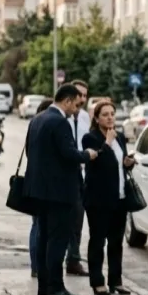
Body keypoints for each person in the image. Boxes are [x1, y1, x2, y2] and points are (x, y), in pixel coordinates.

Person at [24, 84, 98, 295]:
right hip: (58, 192)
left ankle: (44, 286)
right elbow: (68, 154)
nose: (76, 109)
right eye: (75, 104)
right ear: (66, 101)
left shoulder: (38, 119)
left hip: (39, 190)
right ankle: (55, 287)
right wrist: (87, 155)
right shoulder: (59, 122)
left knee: (44, 237)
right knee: (57, 240)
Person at [81, 100, 135, 295]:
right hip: (98, 199)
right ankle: (97, 281)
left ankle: (116, 281)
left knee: (116, 242)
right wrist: (107, 143)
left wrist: (128, 163)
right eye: (105, 114)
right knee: (98, 241)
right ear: (96, 118)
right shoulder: (90, 138)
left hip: (119, 197)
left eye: (112, 113)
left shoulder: (120, 137)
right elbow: (97, 163)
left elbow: (120, 164)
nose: (110, 117)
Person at [64, 80, 91, 276]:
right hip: (64, 175)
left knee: (78, 220)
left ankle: (73, 260)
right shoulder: (61, 117)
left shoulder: (84, 117)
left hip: (81, 175)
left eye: (84, 95)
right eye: (79, 95)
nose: (82, 99)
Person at [28, 98, 54, 278]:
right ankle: (40, 266)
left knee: (36, 225)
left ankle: (36, 266)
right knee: (41, 227)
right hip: (44, 186)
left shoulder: (33, 125)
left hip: (33, 183)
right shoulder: (46, 127)